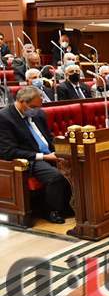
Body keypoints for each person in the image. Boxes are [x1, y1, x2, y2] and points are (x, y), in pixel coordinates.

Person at [0, 87, 72, 224]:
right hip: (28, 158)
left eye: (39, 106)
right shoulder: (4, 118)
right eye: (33, 107)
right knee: (55, 176)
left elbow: (48, 137)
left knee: (78, 164)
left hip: (49, 153)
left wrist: (61, 149)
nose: (36, 110)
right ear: (22, 102)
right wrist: (43, 157)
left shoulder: (38, 114)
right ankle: (50, 211)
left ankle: (70, 205)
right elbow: (8, 151)